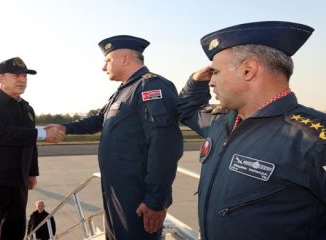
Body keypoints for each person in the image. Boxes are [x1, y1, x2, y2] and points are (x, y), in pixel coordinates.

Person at [178, 21, 326, 239]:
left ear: (248, 70)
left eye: (216, 72)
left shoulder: (314, 139)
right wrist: (194, 82)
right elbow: (185, 109)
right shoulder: (220, 121)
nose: (211, 82)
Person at [47, 35, 183, 240]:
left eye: (107, 60)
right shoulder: (124, 91)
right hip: (116, 190)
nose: (104, 67)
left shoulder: (151, 87)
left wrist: (156, 199)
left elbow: (164, 145)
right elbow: (98, 120)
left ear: (125, 59)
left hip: (136, 193)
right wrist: (64, 128)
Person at [0, 57, 64, 240]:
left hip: (17, 181)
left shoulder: (26, 109)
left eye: (25, 76)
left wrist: (31, 172)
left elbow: (30, 143)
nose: (22, 80)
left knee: (14, 231)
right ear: (1, 79)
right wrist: (43, 133)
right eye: (16, 75)